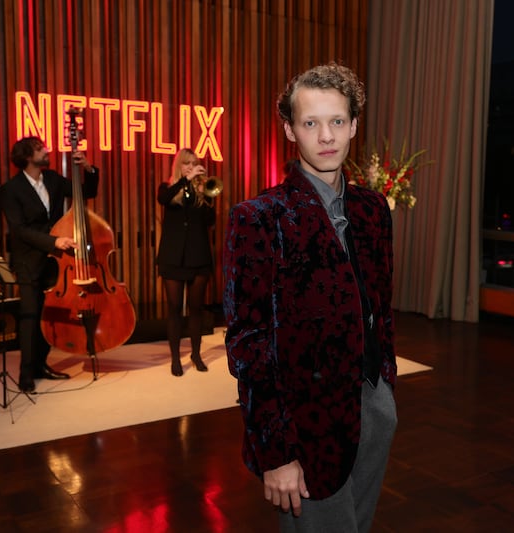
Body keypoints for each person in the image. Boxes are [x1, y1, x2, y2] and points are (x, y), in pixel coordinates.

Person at [223, 62, 398, 532]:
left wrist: (384, 388)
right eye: (311, 123)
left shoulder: (373, 210)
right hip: (305, 427)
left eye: (337, 121)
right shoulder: (259, 217)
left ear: (354, 125)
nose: (326, 136)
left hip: (373, 407)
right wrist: (275, 451)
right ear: (289, 130)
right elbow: (248, 346)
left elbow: (380, 307)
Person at [0, 136, 99, 393]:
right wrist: (55, 241)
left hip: (55, 262)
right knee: (30, 317)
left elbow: (87, 192)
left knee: (48, 316)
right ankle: (25, 373)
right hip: (28, 260)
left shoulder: (53, 179)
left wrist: (88, 168)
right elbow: (19, 230)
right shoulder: (11, 189)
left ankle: (41, 365)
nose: (47, 150)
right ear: (27, 156)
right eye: (40, 148)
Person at [156, 148, 216, 376]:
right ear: (179, 166)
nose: (191, 167)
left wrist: (207, 195)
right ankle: (175, 358)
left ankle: (196, 354)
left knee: (196, 309)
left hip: (198, 256)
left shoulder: (203, 189)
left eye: (194, 163)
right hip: (173, 257)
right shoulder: (168, 187)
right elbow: (164, 199)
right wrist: (186, 180)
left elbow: (210, 221)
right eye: (186, 163)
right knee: (173, 309)